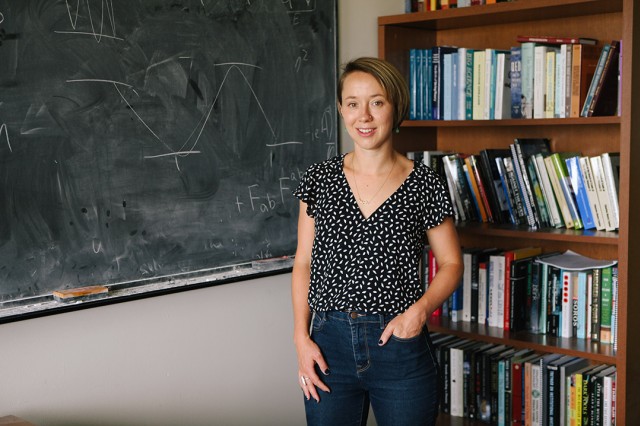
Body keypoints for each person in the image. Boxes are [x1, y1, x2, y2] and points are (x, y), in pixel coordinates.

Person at [291, 57, 463, 426]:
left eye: (377, 102)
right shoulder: (319, 179)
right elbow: (303, 262)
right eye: (352, 104)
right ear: (341, 109)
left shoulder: (424, 183)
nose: (363, 116)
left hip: (399, 343)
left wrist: (418, 313)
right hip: (327, 345)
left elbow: (451, 263)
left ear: (395, 107)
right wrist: (300, 339)